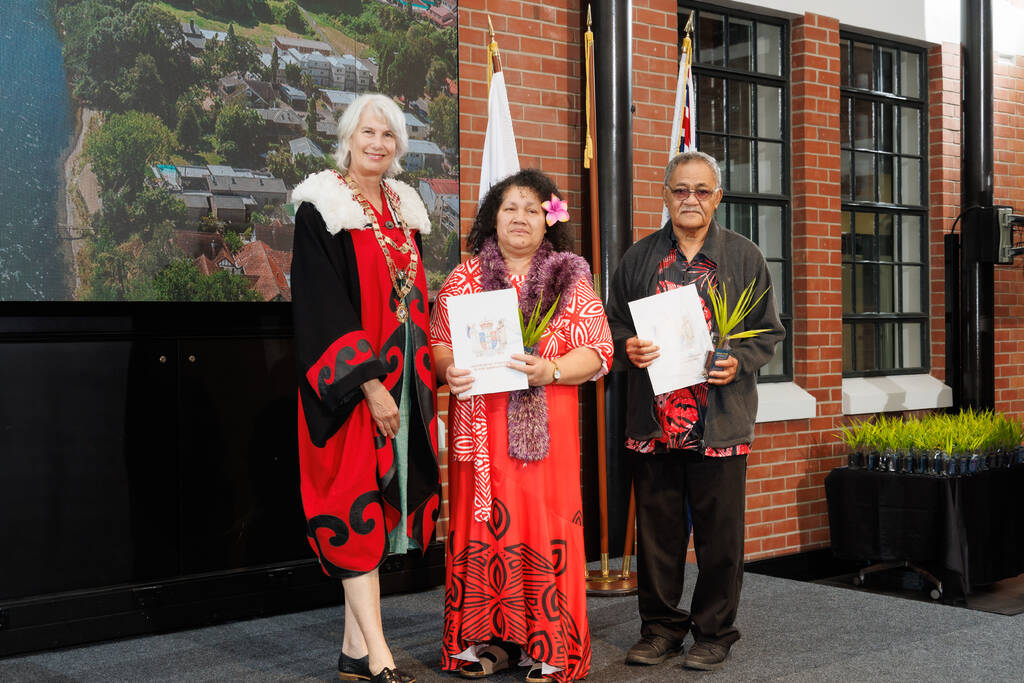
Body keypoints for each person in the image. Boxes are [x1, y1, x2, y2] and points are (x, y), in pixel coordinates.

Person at [430, 170, 613, 683]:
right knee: (482, 529)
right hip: (480, 430)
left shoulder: (569, 279)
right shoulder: (463, 279)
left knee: (544, 527)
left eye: (533, 209)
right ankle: (489, 644)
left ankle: (550, 649)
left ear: (548, 221)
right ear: (494, 216)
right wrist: (450, 369)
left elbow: (599, 352)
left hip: (545, 434)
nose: (520, 218)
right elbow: (440, 342)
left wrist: (550, 369)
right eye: (510, 207)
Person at [607, 151, 785, 672]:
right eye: (681, 189)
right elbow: (612, 325)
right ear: (665, 194)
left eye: (702, 190)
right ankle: (660, 628)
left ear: (718, 198)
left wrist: (740, 362)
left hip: (719, 422)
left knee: (720, 538)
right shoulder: (639, 259)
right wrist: (628, 349)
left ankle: (714, 631)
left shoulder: (744, 256)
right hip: (654, 424)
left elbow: (769, 332)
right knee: (658, 537)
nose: (691, 199)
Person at [291, 93, 440, 683]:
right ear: (348, 137)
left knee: (382, 512)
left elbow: (413, 297)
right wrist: (370, 384)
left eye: (388, 136)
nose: (377, 144)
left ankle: (354, 652)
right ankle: (380, 657)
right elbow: (321, 308)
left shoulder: (405, 207)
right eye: (367, 133)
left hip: (406, 383)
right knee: (354, 512)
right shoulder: (321, 207)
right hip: (351, 391)